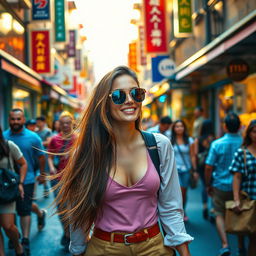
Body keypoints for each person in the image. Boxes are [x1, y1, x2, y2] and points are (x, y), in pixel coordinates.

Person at [53, 66, 193, 256]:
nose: (130, 100)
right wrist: (78, 250)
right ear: (105, 104)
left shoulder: (159, 146)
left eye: (136, 93)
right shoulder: (87, 152)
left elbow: (170, 206)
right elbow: (79, 213)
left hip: (154, 247)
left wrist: (184, 250)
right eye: (119, 95)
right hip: (104, 248)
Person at [4, 108, 47, 256]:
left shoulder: (33, 137)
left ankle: (25, 240)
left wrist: (42, 174)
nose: (15, 122)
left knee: (24, 209)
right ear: (9, 120)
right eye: (13, 119)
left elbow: (41, 157)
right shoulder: (3, 137)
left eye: (18, 119)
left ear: (23, 120)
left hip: (27, 179)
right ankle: (39, 214)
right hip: (7, 183)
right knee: (13, 210)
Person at [205, 113, 242, 256]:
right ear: (239, 127)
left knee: (219, 213)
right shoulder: (245, 143)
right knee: (239, 213)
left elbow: (209, 166)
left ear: (225, 126)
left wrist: (208, 185)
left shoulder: (217, 144)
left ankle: (225, 244)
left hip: (220, 184)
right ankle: (240, 245)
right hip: (240, 187)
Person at [48, 111, 76, 251]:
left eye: (68, 123)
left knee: (75, 209)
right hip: (58, 180)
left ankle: (73, 236)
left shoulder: (78, 139)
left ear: (72, 123)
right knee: (62, 210)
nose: (65, 125)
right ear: (59, 124)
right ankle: (67, 233)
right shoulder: (54, 139)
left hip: (75, 180)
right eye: (62, 123)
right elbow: (49, 157)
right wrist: (52, 167)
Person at [229, 119, 256, 256]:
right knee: (253, 236)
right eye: (254, 131)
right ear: (249, 133)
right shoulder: (242, 152)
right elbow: (237, 177)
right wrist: (236, 199)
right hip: (250, 198)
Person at [0, 125, 27, 256]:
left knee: (8, 226)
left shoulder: (8, 145)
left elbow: (23, 163)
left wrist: (20, 183)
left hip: (6, 191)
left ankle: (18, 245)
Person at [171, 120, 197, 222]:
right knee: (179, 192)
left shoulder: (189, 140)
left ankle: (183, 210)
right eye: (177, 126)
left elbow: (192, 156)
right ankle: (178, 212)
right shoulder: (170, 140)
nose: (179, 128)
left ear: (184, 128)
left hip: (186, 170)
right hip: (175, 170)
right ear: (174, 128)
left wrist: (194, 170)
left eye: (181, 126)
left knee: (184, 193)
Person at [196, 119, 215, 220]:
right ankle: (213, 209)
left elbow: (196, 154)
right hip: (212, 165)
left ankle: (204, 207)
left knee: (204, 185)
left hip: (201, 165)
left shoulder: (199, 139)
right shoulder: (214, 139)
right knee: (212, 186)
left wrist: (195, 169)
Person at [36, 116, 52, 198]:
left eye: (39, 122)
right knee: (37, 171)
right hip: (36, 154)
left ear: (43, 122)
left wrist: (38, 143)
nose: (37, 123)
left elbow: (49, 142)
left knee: (44, 171)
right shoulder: (35, 132)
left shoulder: (47, 131)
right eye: (37, 122)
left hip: (44, 154)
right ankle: (34, 192)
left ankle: (46, 188)